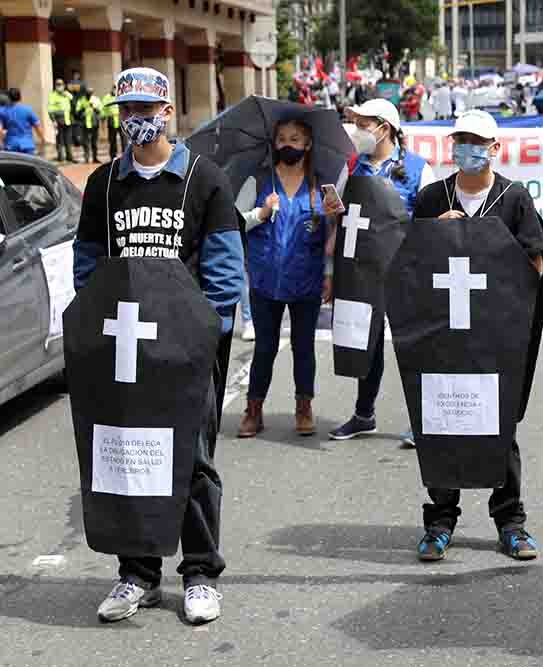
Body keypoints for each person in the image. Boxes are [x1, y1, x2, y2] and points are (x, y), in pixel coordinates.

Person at [73, 67, 244, 625]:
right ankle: (137, 574)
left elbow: (223, 270)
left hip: (185, 354)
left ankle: (199, 573)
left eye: (146, 110)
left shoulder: (205, 179)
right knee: (127, 458)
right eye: (126, 112)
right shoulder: (104, 185)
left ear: (168, 112)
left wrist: (204, 338)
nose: (136, 121)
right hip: (124, 352)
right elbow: (88, 264)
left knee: (191, 461)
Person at [409, 110, 543, 562]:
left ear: (494, 149)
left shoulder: (514, 198)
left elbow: (535, 268)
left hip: (495, 336)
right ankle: (440, 522)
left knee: (498, 426)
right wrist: (437, 234)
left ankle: (511, 521)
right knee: (442, 422)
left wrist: (486, 241)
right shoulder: (432, 198)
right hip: (442, 334)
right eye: (461, 141)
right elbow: (411, 267)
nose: (467, 150)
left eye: (477, 142)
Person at [327, 98, 435, 445]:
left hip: (406, 272)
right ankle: (363, 414)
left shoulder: (419, 169)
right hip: (361, 274)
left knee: (413, 347)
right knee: (366, 344)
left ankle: (422, 420)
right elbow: (339, 216)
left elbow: (430, 224)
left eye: (363, 124)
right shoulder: (353, 166)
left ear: (383, 128)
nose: (358, 131)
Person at [237, 117, 340, 439]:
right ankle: (253, 409)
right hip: (265, 280)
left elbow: (330, 236)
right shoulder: (258, 181)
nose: (287, 145)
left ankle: (303, 406)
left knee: (303, 347)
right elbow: (235, 224)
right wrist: (262, 213)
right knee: (264, 348)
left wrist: (329, 273)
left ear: (308, 145)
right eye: (281, 138)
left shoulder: (321, 186)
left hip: (306, 280)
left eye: (295, 139)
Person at [0, 89, 44, 155]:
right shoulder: (28, 110)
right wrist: (43, 140)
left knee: (13, 165)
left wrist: (1, 143)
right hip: (27, 145)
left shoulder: (3, 111)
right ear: (20, 98)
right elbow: (37, 126)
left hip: (11, 145)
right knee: (28, 165)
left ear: (8, 98)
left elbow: (0, 130)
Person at [48, 79, 74, 162]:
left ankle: (69, 157)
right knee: (60, 140)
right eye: (58, 84)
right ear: (55, 86)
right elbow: (50, 110)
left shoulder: (66, 94)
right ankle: (61, 157)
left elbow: (73, 100)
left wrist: (66, 94)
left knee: (68, 140)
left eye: (61, 84)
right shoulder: (53, 95)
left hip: (67, 120)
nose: (60, 86)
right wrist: (53, 120)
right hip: (59, 120)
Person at [75, 87, 103, 163]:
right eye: (87, 93)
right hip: (84, 124)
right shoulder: (81, 100)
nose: (89, 95)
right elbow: (77, 112)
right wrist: (83, 108)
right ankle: (86, 158)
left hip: (94, 123)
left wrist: (94, 107)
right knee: (85, 142)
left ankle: (95, 157)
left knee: (94, 142)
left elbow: (100, 110)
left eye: (90, 93)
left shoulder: (96, 99)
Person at [101, 86, 121, 158]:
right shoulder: (107, 97)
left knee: (124, 141)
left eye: (116, 88)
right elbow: (103, 108)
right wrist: (104, 117)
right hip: (111, 120)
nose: (115, 89)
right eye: (114, 88)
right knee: (112, 140)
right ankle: (113, 156)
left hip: (121, 120)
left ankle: (125, 156)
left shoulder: (121, 95)